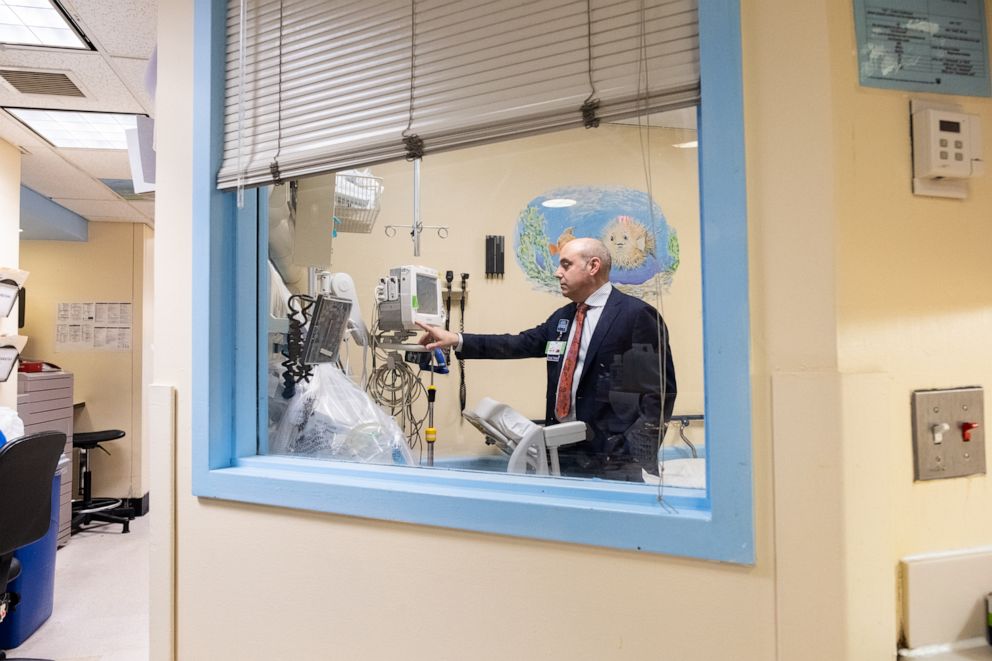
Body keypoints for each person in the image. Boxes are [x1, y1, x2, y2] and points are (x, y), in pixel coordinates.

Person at [417, 237, 676, 481]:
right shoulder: (563, 319)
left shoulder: (635, 316)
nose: (557, 273)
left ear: (593, 266)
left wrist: (632, 451)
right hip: (562, 452)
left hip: (612, 460)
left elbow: (660, 394)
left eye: (566, 264)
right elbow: (517, 343)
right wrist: (456, 339)